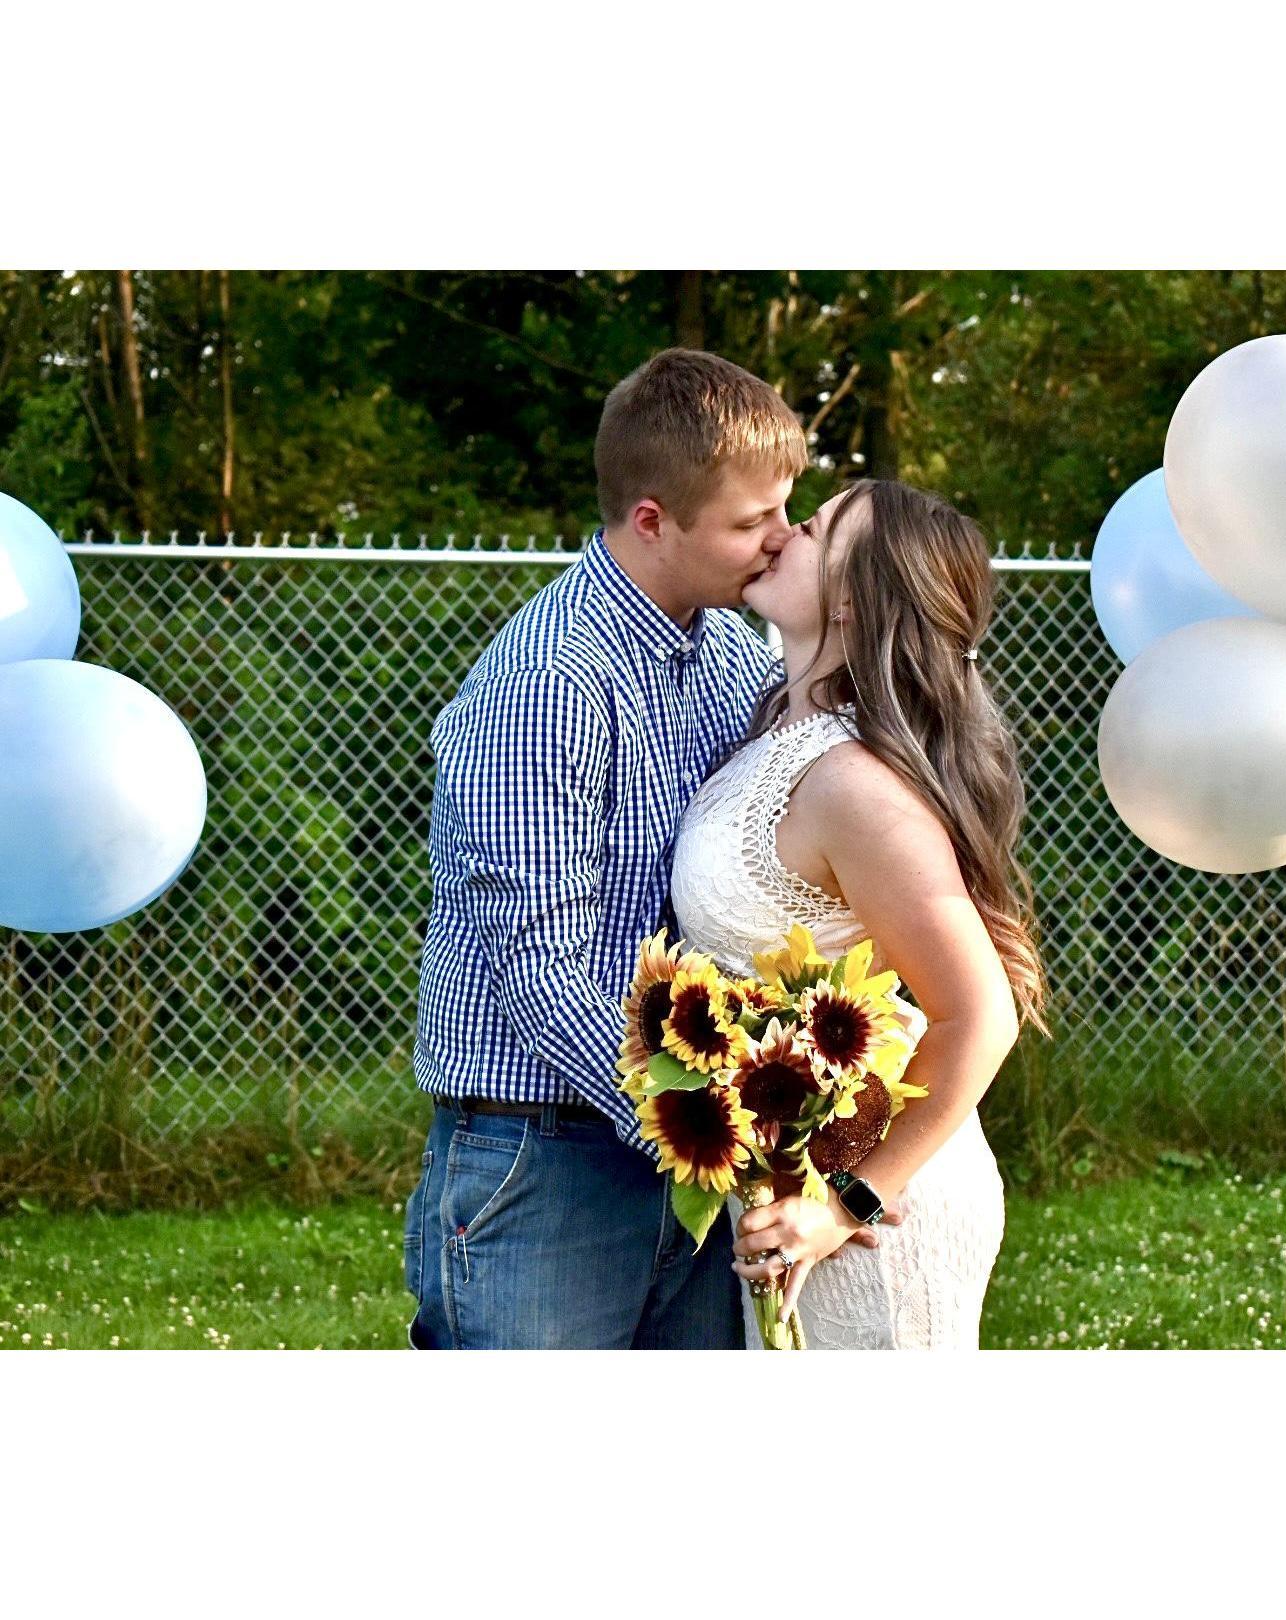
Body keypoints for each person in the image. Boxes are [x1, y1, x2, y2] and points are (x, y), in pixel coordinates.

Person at [403, 348, 811, 1349]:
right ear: (651, 521)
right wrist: (711, 1132)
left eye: (786, 510)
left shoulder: (725, 653)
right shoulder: (550, 683)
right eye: (752, 521)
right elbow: (542, 972)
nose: (781, 540)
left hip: (679, 1162)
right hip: (545, 1167)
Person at [670, 479, 1048, 1349]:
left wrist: (848, 1204)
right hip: (788, 1192)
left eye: (808, 528)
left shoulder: (853, 787)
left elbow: (978, 1014)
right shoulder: (772, 724)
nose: (777, 533)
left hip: (873, 1219)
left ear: (850, 599)